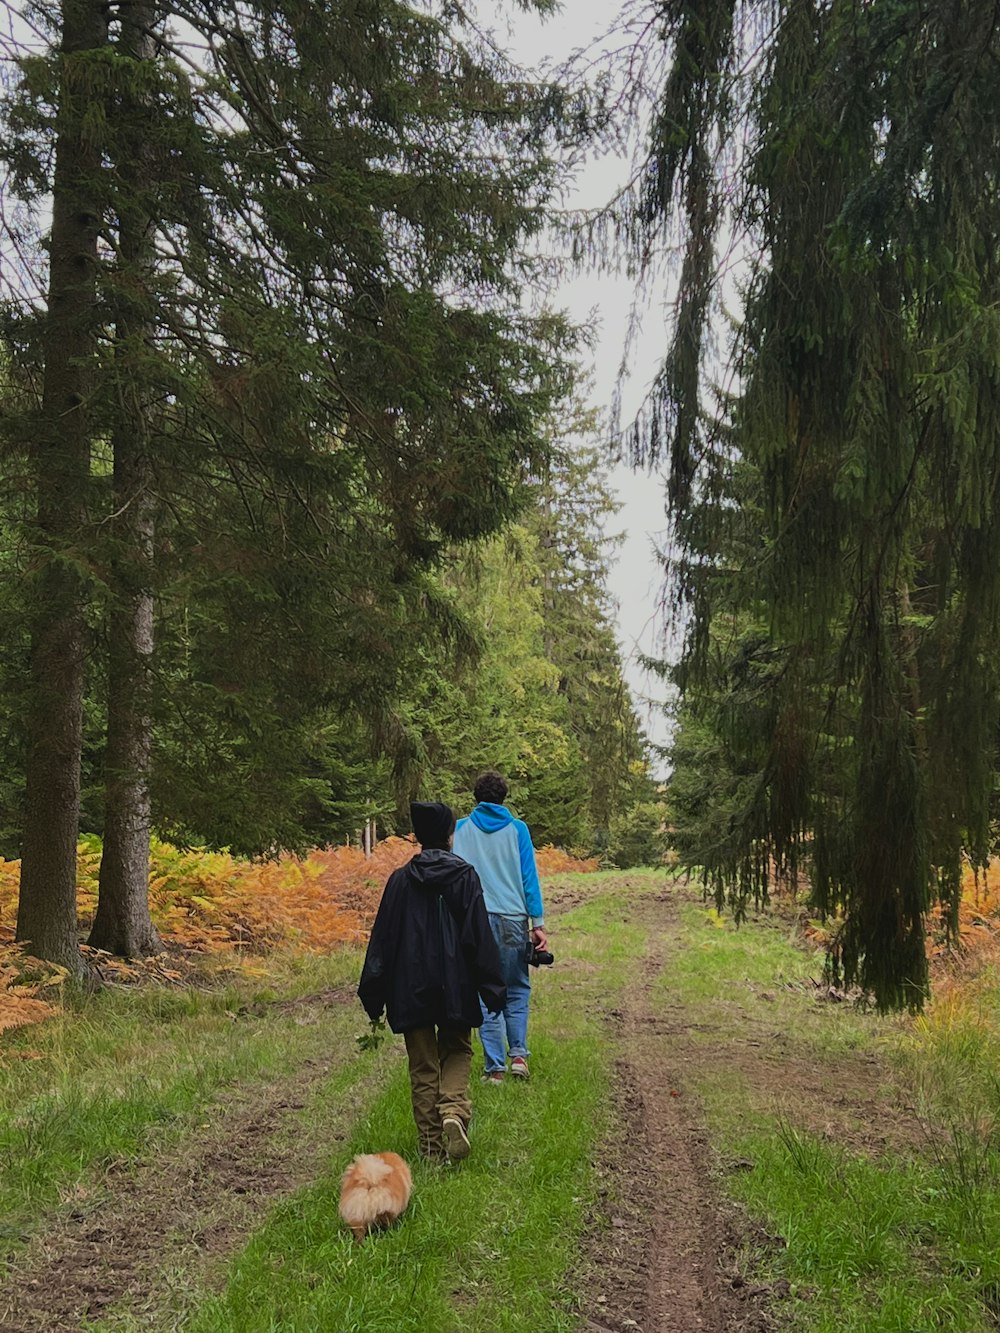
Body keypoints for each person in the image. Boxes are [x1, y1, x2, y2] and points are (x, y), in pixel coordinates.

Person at [358, 800, 505, 1162]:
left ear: (420, 837)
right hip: (456, 986)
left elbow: (383, 941)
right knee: (457, 1050)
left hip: (410, 987)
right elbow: (478, 937)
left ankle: (431, 1149)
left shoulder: (399, 881)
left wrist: (373, 995)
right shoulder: (465, 876)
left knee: (423, 1066)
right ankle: (453, 1110)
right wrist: (493, 986)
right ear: (450, 835)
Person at [453, 771, 548, 1083]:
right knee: (517, 986)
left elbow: (454, 878)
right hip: (512, 918)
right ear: (504, 798)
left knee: (484, 990)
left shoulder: (461, 829)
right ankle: (519, 1055)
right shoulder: (517, 830)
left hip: (474, 919)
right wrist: (538, 923)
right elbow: (528, 878)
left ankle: (495, 1070)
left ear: (476, 798)